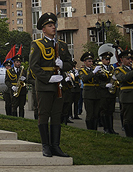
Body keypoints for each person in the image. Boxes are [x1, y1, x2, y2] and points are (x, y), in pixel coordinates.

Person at [29, 12, 72, 158]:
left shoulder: (62, 46)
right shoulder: (37, 44)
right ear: (43, 29)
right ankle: (46, 146)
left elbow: (71, 63)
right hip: (45, 85)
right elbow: (34, 67)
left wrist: (63, 65)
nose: (53, 27)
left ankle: (56, 146)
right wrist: (49, 78)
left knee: (56, 116)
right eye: (49, 25)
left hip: (59, 85)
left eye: (54, 25)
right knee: (44, 115)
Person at [115, 49, 133, 137]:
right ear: (122, 60)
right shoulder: (118, 69)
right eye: (128, 59)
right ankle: (129, 136)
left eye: (131, 59)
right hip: (127, 98)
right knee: (128, 118)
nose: (130, 61)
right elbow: (122, 78)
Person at [78, 51, 102, 130]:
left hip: (97, 94)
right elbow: (84, 78)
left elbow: (102, 79)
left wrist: (101, 73)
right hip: (88, 94)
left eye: (91, 61)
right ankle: (90, 130)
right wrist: (94, 72)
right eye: (89, 61)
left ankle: (95, 129)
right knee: (90, 114)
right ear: (85, 62)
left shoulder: (95, 69)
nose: (91, 63)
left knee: (96, 114)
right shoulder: (82, 70)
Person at [98, 51, 118, 134]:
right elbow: (98, 80)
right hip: (103, 93)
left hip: (111, 93)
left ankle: (111, 128)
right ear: (102, 60)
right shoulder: (99, 68)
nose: (108, 61)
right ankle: (106, 128)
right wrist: (105, 85)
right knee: (104, 111)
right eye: (106, 59)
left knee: (110, 111)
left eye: (109, 59)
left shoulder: (111, 68)